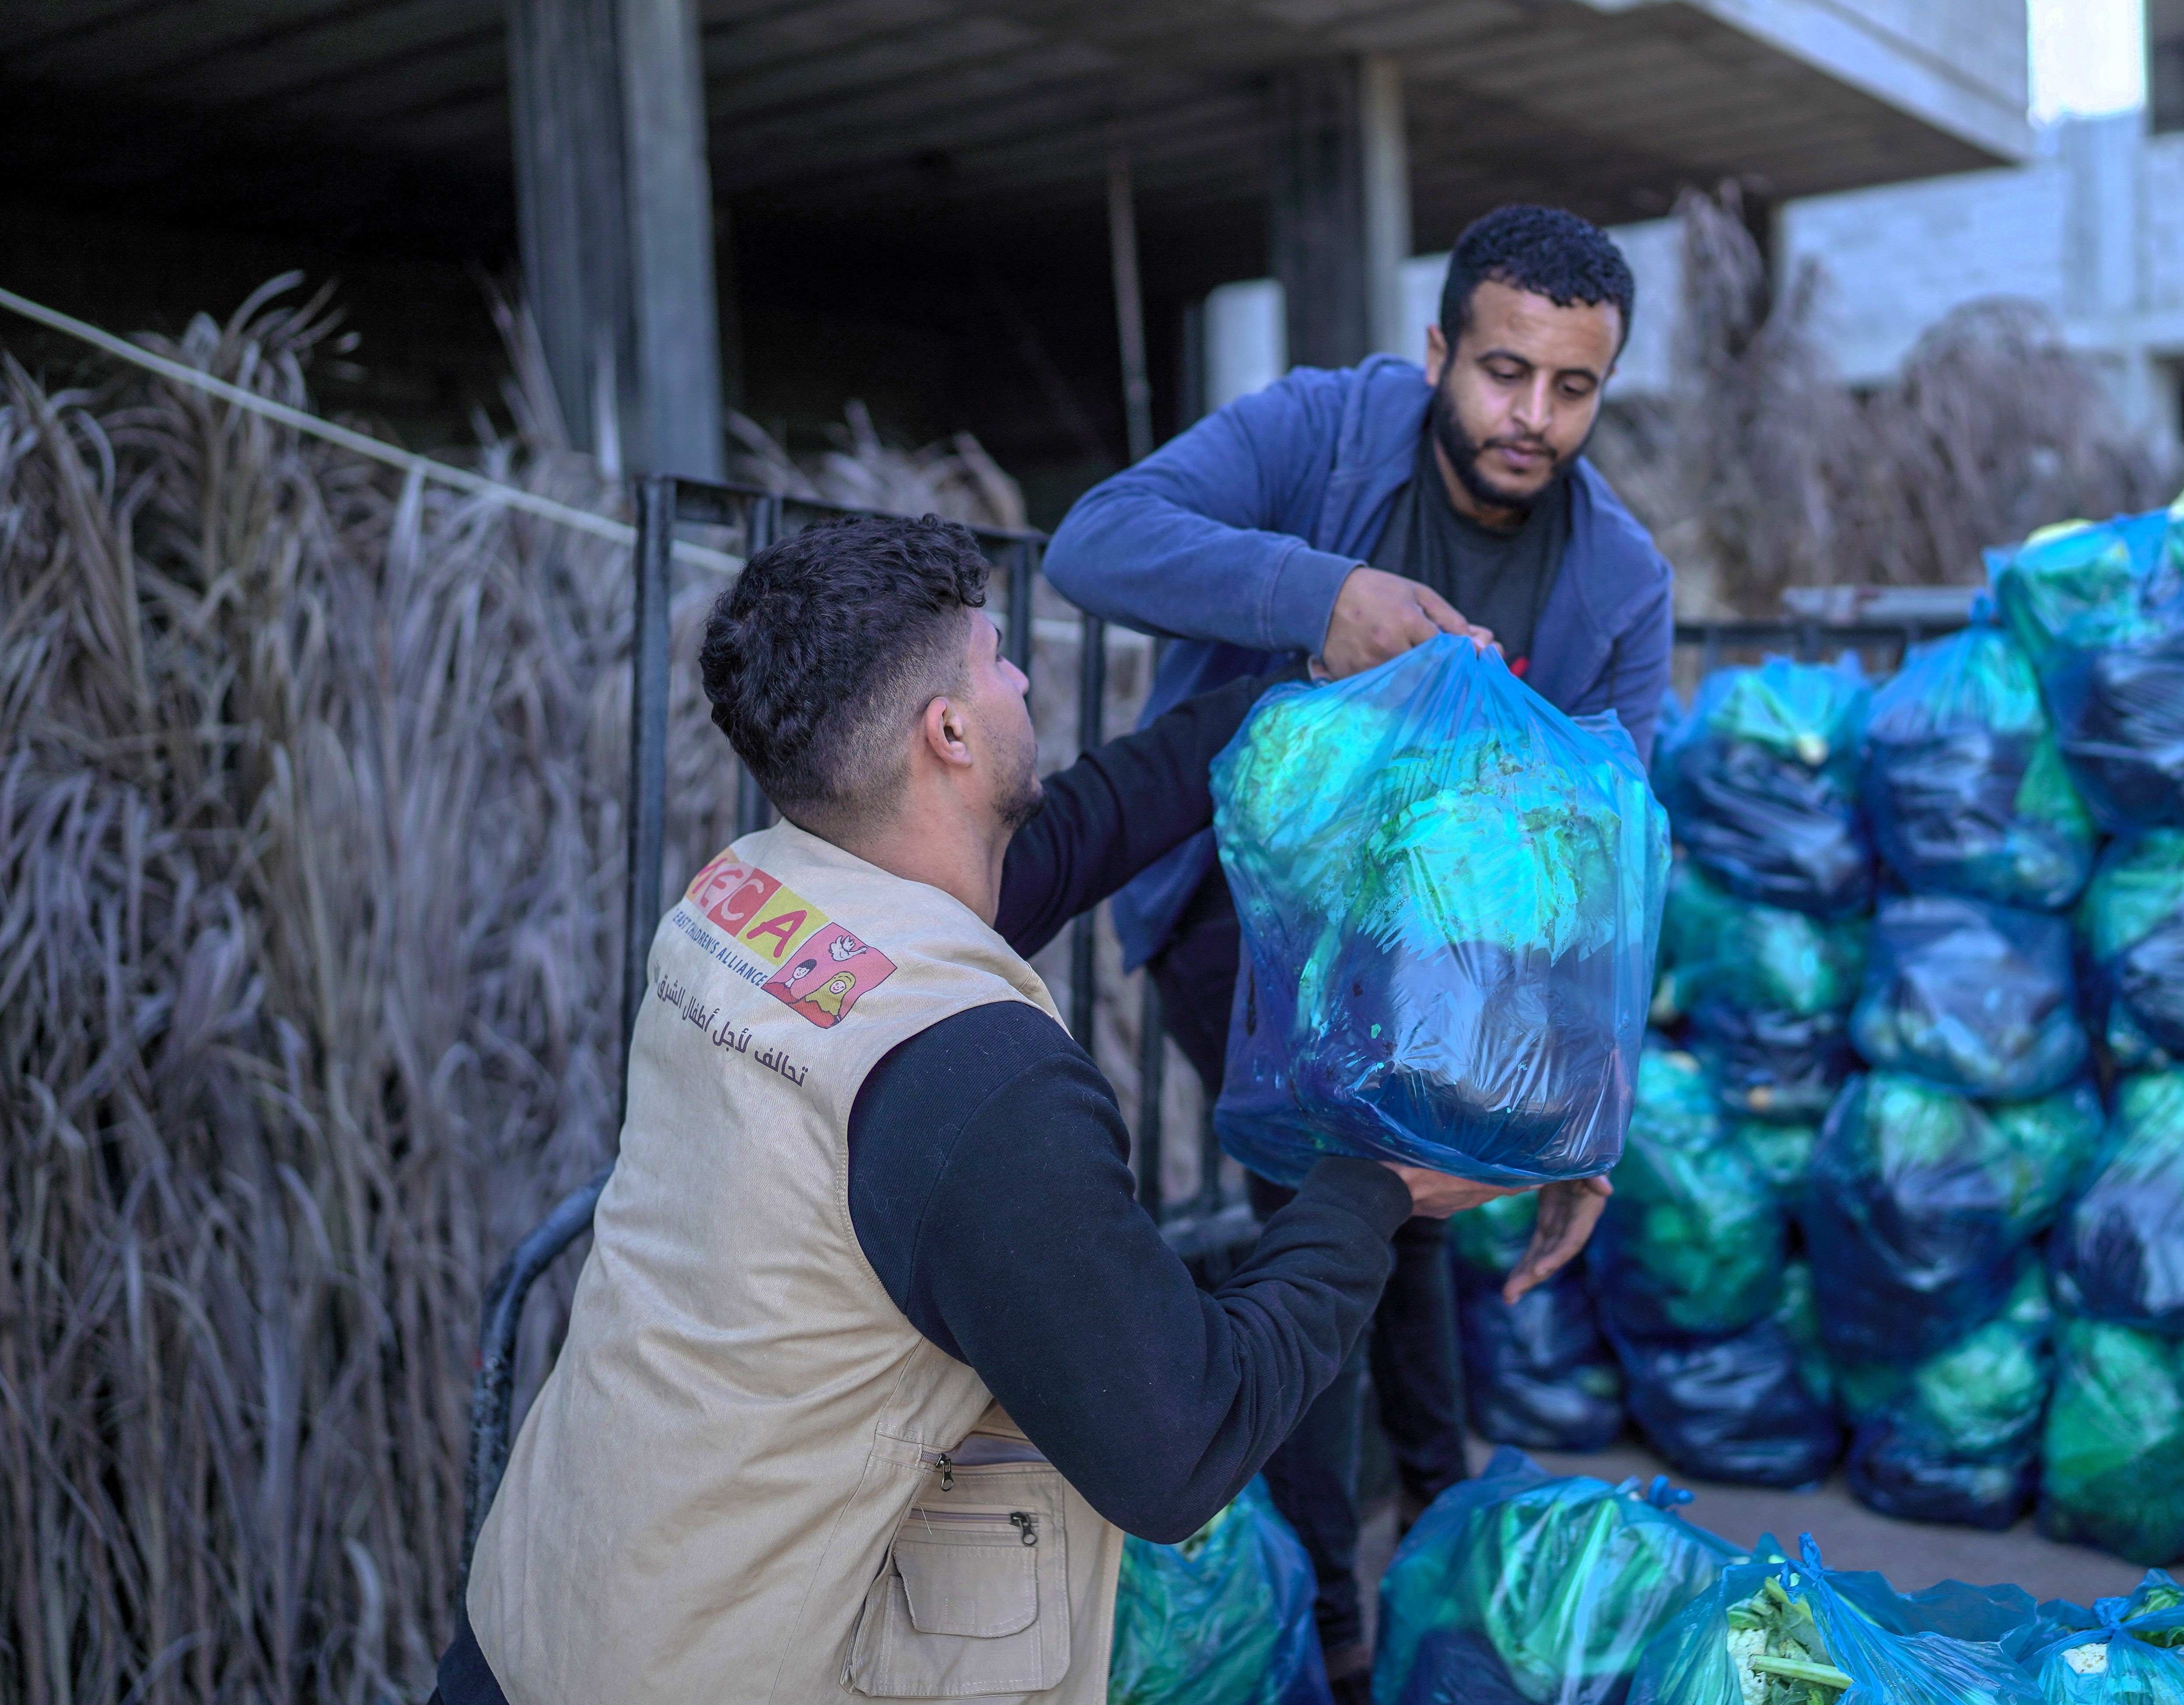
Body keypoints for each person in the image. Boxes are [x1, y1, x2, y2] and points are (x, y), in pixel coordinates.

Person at [437, 513, 1607, 1705]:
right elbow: (1177, 1447)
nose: (1025, 681)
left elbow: (1089, 823)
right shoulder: (976, 1080)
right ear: (950, 732)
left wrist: (1300, 691)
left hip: (541, 1615)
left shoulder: (746, 901)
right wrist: (1375, 1189)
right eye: (1000, 660)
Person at [1045, 203, 1673, 1695]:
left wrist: (1592, 1124)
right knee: (1326, 1226)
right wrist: (1316, 597)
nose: (1531, 419)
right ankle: (1334, 1604)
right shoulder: (1323, 435)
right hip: (1246, 932)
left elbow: (1611, 881)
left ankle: (1436, 1543)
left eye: (1573, 388)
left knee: (1405, 1228)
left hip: (1456, 983)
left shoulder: (1618, 581)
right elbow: (1094, 540)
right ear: (1439, 350)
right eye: (1504, 372)